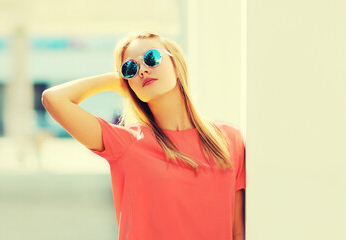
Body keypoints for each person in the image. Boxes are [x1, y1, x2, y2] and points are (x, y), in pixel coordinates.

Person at [42, 31, 246, 240]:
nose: (143, 70)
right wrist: (113, 81)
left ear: (176, 65)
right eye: (130, 68)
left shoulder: (229, 139)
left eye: (151, 58)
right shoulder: (127, 143)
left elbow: (239, 231)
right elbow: (54, 99)